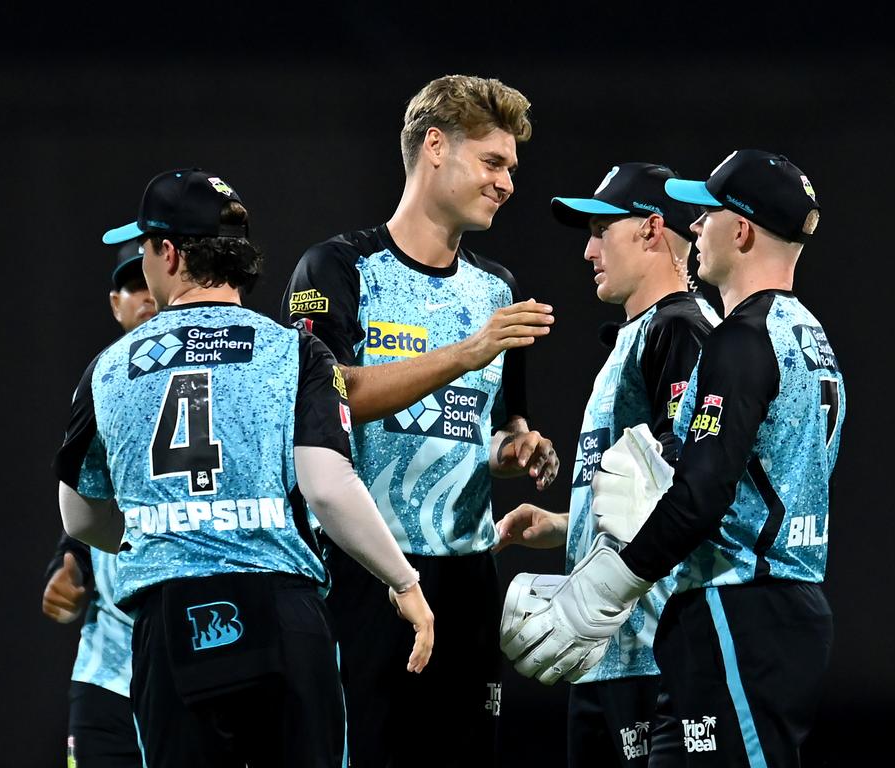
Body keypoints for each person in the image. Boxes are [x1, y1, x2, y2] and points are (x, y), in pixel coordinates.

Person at [54, 168, 435, 768]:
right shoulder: (295, 351)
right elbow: (328, 486)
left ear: (169, 253)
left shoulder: (107, 368)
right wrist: (404, 582)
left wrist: (147, 532)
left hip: (169, 617)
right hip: (282, 612)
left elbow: (78, 514)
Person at [504, 150, 843, 768]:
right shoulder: (805, 333)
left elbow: (700, 491)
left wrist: (601, 589)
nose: (695, 225)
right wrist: (571, 529)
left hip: (736, 602)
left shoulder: (739, 338)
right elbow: (741, 483)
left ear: (740, 230)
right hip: (763, 605)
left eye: (708, 212)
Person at [280, 74, 559, 768]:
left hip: (467, 578)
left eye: (512, 169)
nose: (507, 183)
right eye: (493, 162)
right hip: (365, 573)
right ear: (434, 146)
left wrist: (516, 447)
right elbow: (329, 399)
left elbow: (485, 427)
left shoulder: (498, 290)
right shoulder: (338, 268)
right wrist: (466, 352)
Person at [496, 162, 719, 767]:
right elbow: (646, 492)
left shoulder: (680, 329)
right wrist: (570, 525)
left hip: (652, 651)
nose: (590, 249)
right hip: (608, 654)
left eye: (602, 230)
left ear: (652, 231)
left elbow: (697, 490)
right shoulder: (642, 333)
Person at [42, 240, 157, 768]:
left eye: (152, 278)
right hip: (109, 667)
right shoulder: (101, 384)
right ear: (116, 304)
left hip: (194, 651)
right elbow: (89, 505)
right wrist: (69, 563)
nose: (147, 296)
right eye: (134, 286)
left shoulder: (233, 380)